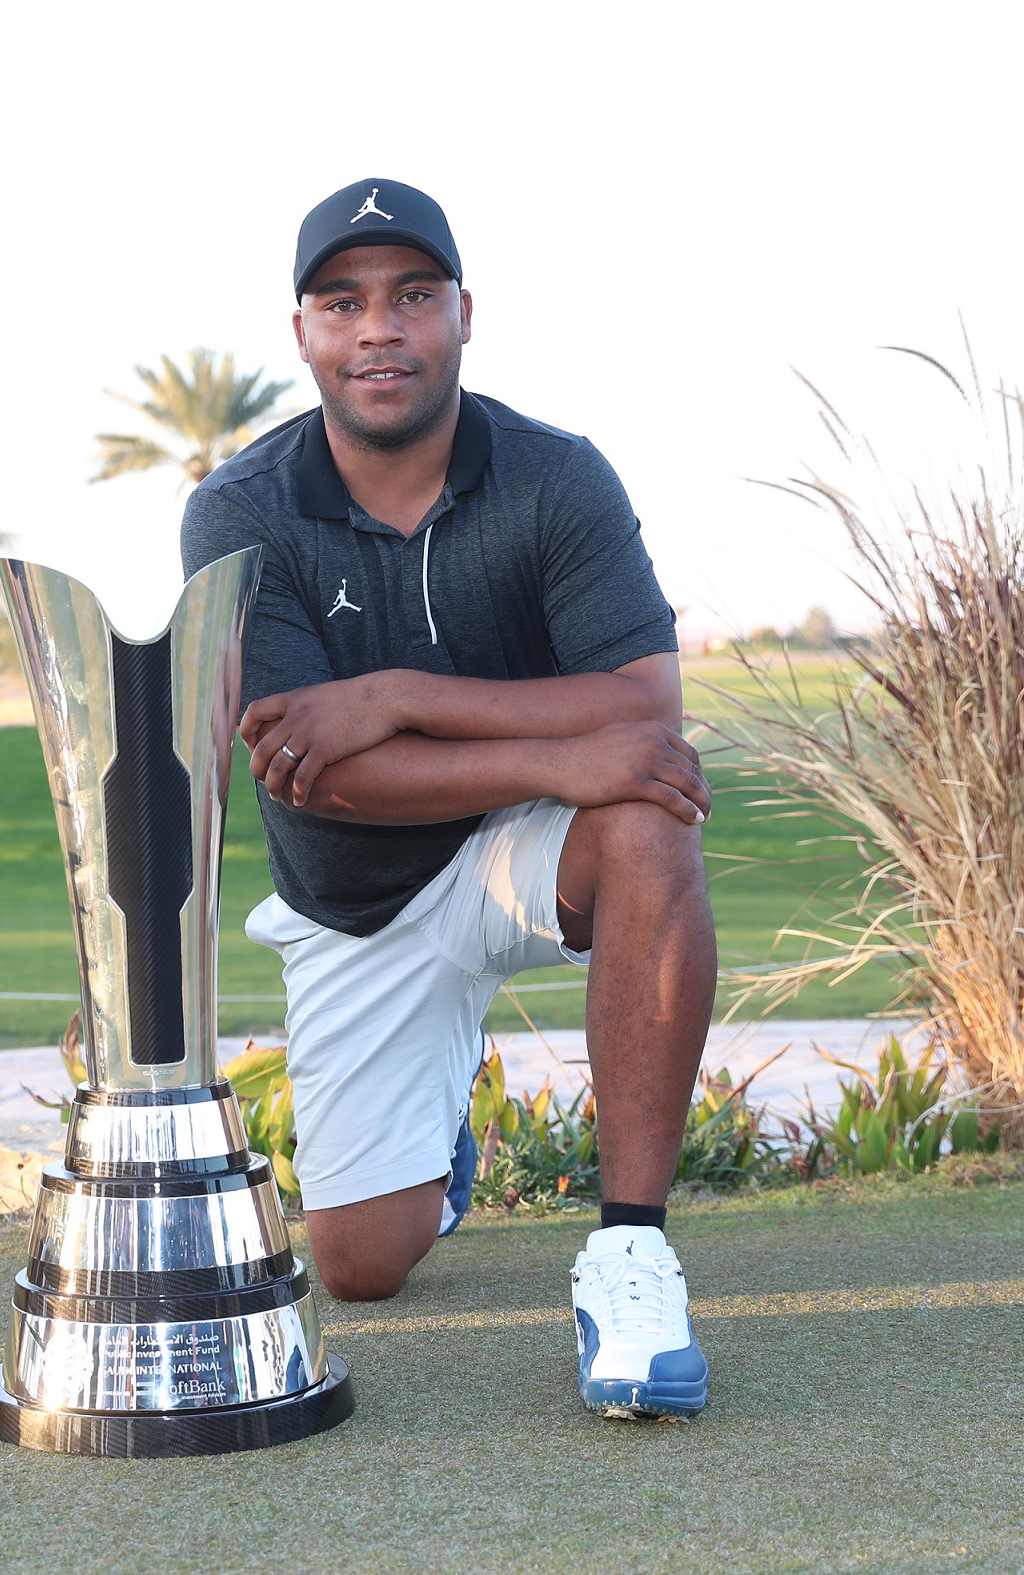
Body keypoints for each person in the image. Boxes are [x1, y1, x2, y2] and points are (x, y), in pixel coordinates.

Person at [181, 178, 715, 1420]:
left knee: (645, 810)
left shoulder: (553, 478)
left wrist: (395, 691)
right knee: (359, 1266)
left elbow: (642, 716)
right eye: (343, 302)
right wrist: (551, 751)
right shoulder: (238, 509)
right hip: (355, 900)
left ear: (462, 315)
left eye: (411, 297)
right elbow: (324, 774)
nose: (379, 328)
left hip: (526, 852)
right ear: (302, 332)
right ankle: (440, 1154)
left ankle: (629, 1253)